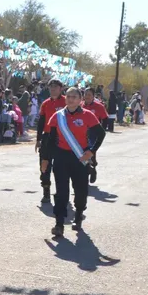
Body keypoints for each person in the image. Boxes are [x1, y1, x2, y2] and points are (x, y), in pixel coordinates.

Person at [40, 87, 105, 237]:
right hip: (61, 157)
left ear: (80, 99)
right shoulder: (57, 116)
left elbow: (100, 134)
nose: (71, 99)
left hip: (80, 157)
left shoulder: (87, 115)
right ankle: (59, 224)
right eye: (68, 96)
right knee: (61, 191)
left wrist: (91, 151)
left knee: (80, 190)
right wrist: (46, 159)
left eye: (74, 97)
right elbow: (50, 140)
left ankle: (78, 215)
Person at [35, 79, 66, 204]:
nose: (52, 89)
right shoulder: (45, 103)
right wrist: (38, 139)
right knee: (44, 164)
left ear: (60, 89)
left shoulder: (66, 101)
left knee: (61, 167)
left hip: (62, 137)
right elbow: (41, 122)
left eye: (55, 87)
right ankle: (46, 191)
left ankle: (61, 192)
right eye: (51, 87)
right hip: (47, 137)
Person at [81, 87, 108, 184]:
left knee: (91, 152)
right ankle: (88, 170)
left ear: (93, 96)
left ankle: (92, 168)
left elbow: (105, 119)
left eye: (89, 95)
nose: (87, 96)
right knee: (80, 153)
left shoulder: (99, 106)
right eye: (85, 94)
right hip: (82, 132)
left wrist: (101, 131)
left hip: (93, 133)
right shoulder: (80, 105)